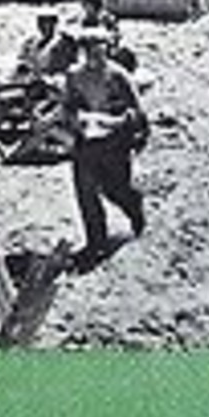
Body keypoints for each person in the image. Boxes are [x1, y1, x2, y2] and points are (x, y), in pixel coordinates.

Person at [61, 31, 147, 267]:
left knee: (115, 189)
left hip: (114, 143)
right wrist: (76, 119)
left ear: (107, 50)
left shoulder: (119, 75)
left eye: (99, 51)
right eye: (89, 51)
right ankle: (95, 242)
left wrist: (116, 122)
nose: (94, 56)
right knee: (86, 193)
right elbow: (67, 106)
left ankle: (134, 207)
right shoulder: (74, 76)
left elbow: (137, 112)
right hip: (85, 142)